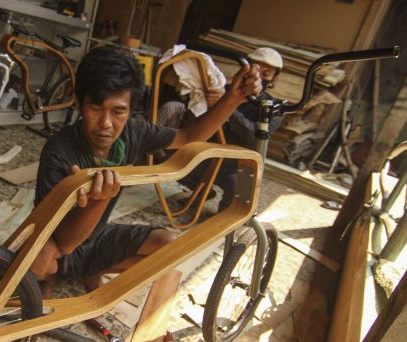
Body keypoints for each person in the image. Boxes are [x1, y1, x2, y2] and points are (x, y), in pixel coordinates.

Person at [30, 46, 262, 298]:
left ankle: (92, 269)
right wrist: (97, 202)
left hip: (97, 236)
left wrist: (233, 98)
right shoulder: (59, 151)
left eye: (118, 111)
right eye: (96, 109)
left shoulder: (133, 133)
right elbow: (64, 242)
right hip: (60, 242)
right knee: (38, 261)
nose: (106, 124)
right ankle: (49, 278)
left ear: (130, 111)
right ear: (78, 104)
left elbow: (188, 136)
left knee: (171, 246)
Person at [158, 47, 285, 211]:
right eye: (255, 69)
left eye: (265, 74)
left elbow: (254, 137)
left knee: (235, 206)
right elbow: (195, 120)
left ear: (274, 79)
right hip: (205, 155)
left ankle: (218, 204)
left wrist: (228, 105)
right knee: (163, 159)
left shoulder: (274, 108)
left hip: (234, 165)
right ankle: (202, 190)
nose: (257, 77)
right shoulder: (223, 89)